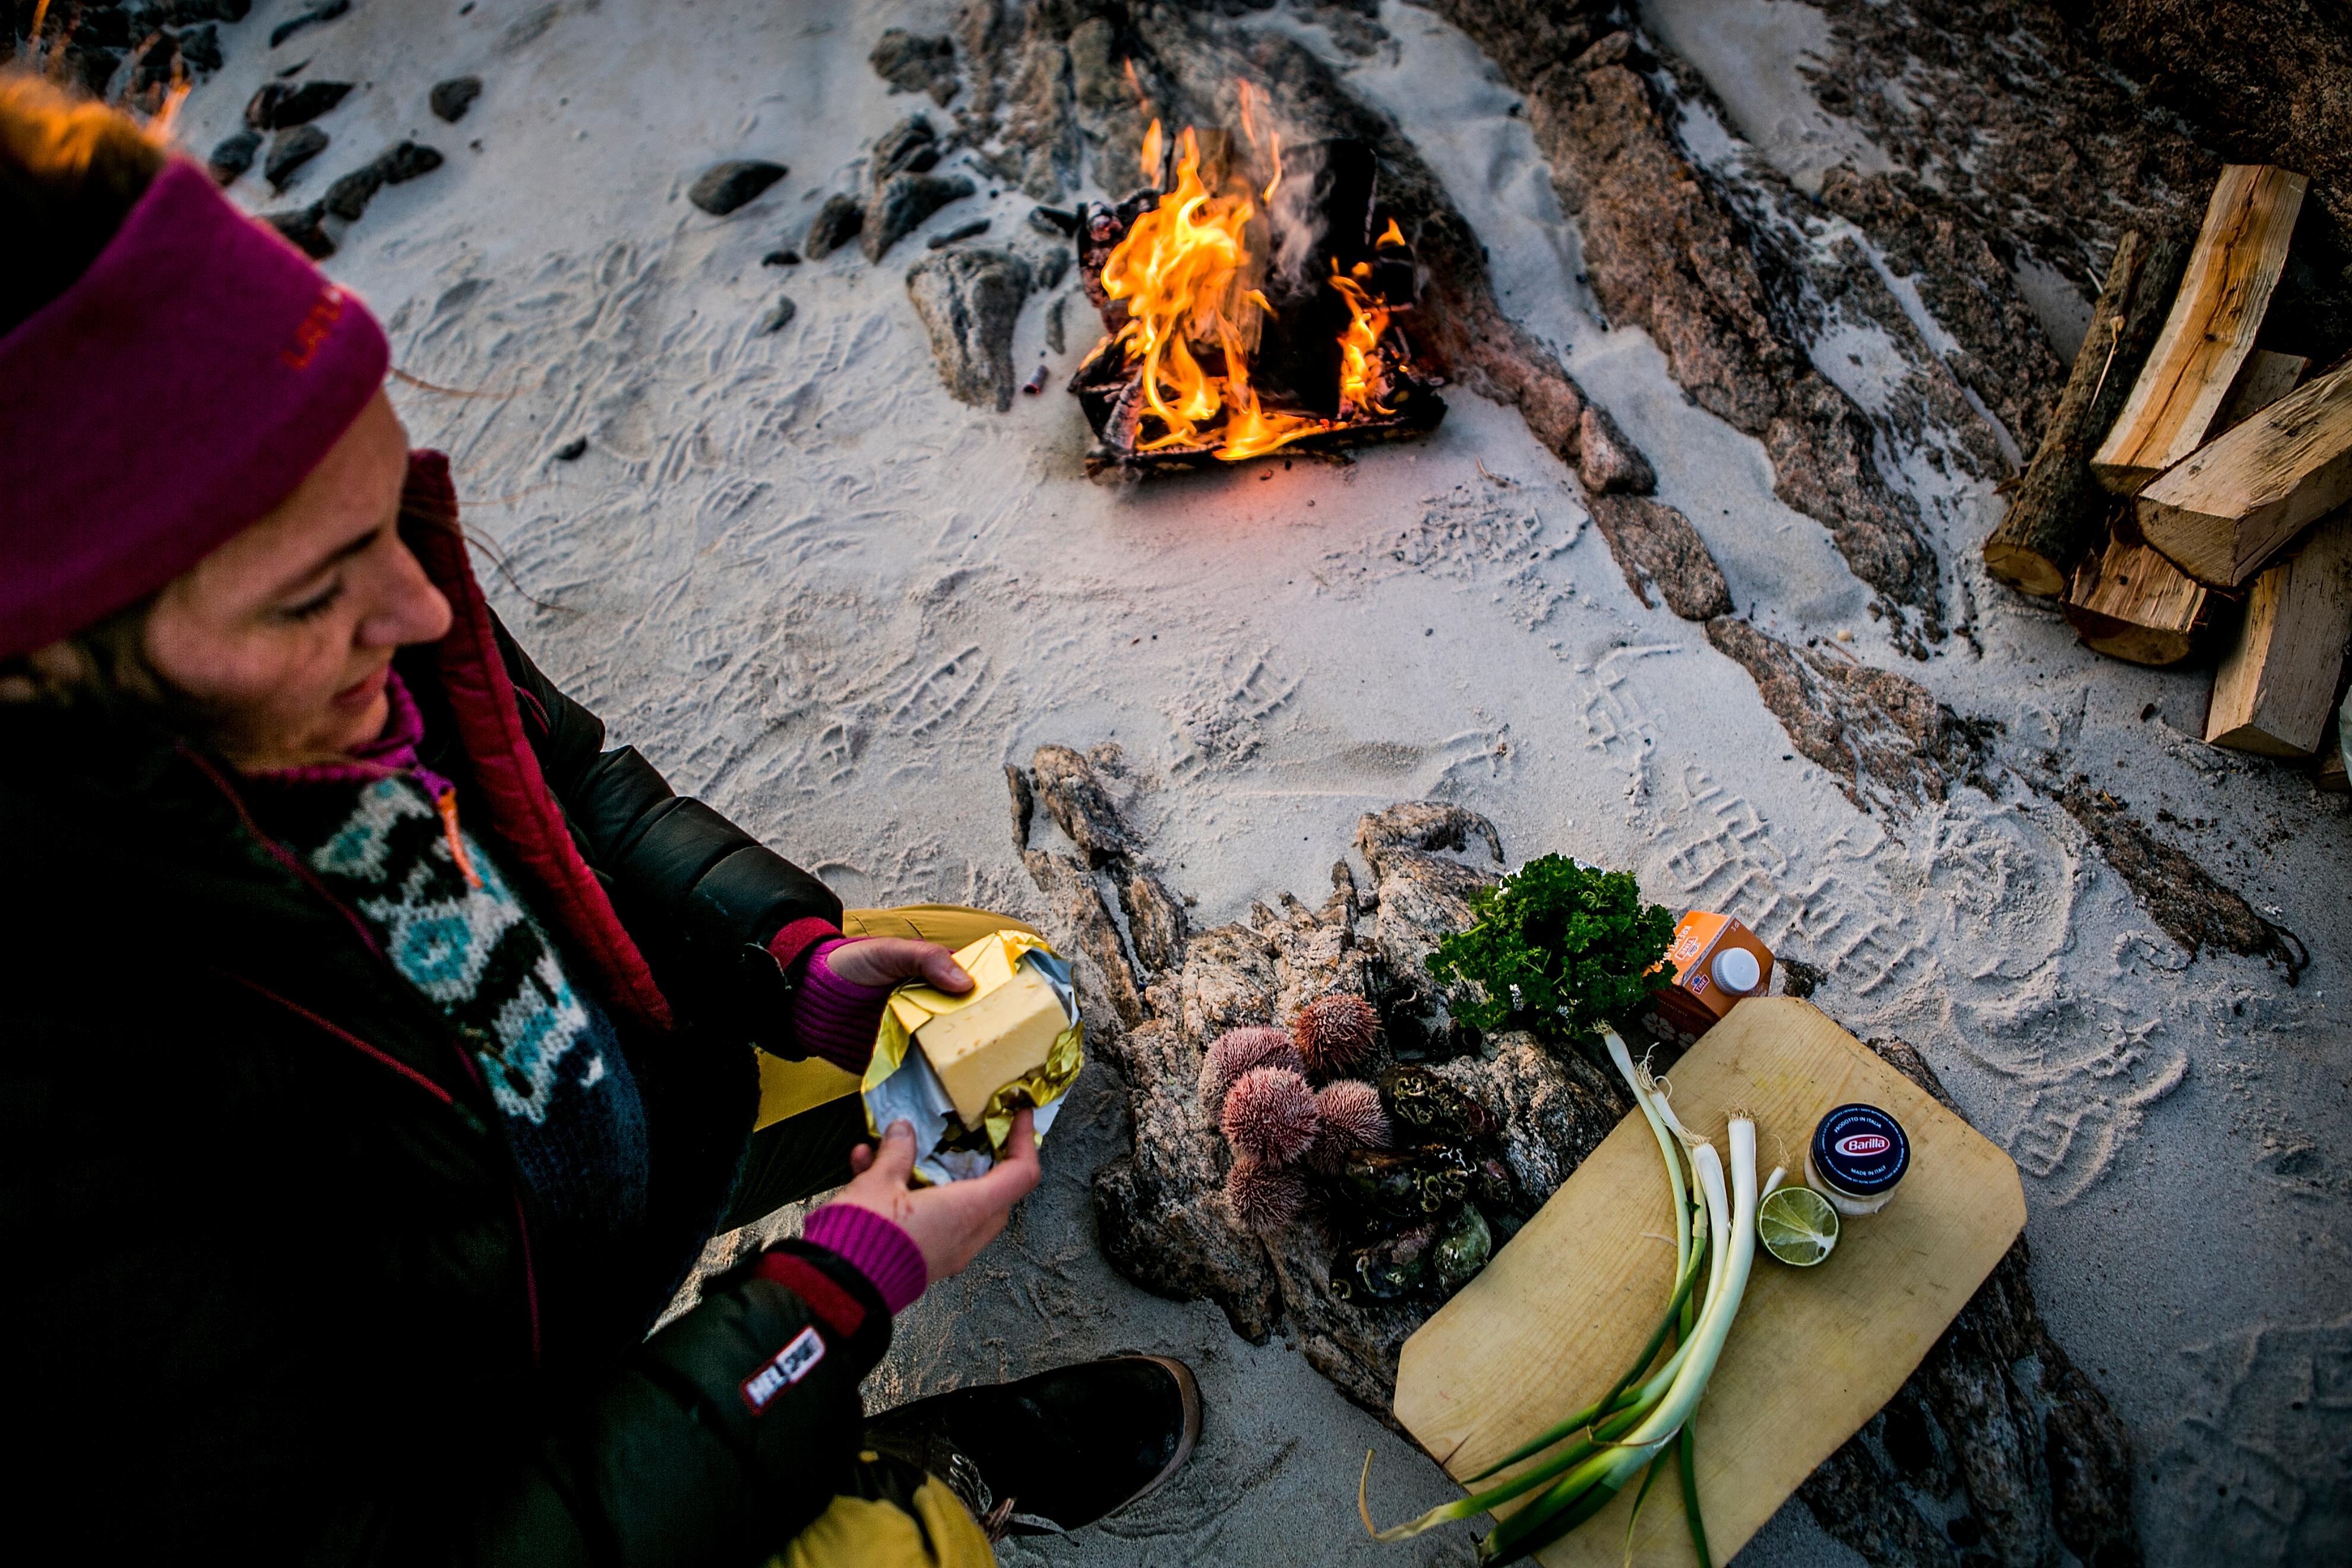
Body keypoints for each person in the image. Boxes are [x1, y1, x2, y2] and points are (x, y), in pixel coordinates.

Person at [0, 71, 1197, 1565]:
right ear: (53, 677)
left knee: (985, 967)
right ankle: (919, 1477)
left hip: (559, 1183)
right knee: (899, 1557)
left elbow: (574, 790)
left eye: (388, 509)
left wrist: (785, 960)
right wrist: (823, 1311)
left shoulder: (350, 605)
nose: (423, 607)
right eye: (316, 595)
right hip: (467, 1431)